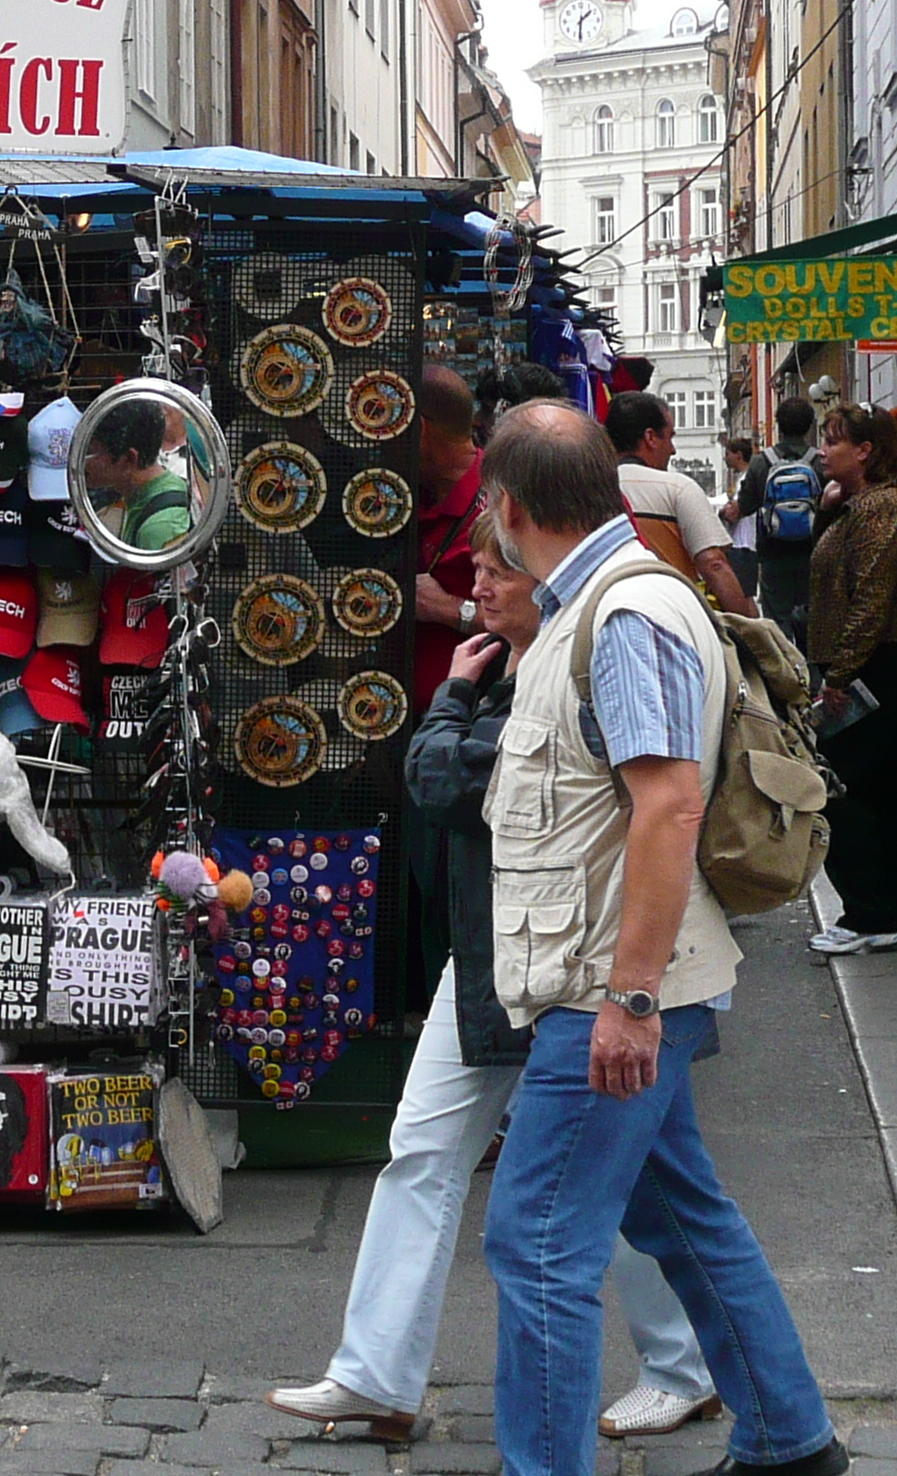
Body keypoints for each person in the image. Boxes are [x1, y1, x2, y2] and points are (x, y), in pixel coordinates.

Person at [270, 511, 719, 1446]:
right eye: (474, 570)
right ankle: (377, 1375)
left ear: (536, 576)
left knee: (623, 1186)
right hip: (492, 956)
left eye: (492, 572)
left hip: (566, 961)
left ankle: (685, 1369)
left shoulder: (549, 669)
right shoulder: (511, 670)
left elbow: (442, 781)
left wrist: (446, 700)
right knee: (429, 1150)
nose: (475, 587)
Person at [476, 402, 844, 1476]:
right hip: (613, 975)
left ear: (507, 507)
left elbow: (669, 804)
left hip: (612, 986)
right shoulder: (594, 600)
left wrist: (628, 999)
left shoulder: (622, 613)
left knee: (535, 1241)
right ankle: (789, 1441)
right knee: (678, 1209)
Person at [801, 406, 897, 955]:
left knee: (847, 788)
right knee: (881, 789)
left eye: (833, 442)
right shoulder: (860, 508)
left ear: (866, 451)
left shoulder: (882, 510)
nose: (823, 451)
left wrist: (842, 674)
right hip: (868, 663)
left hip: (871, 664)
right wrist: (828, 513)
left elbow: (870, 596)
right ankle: (887, 907)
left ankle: (868, 910)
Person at [606, 392, 755, 616]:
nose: (673, 449)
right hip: (672, 616)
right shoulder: (678, 488)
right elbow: (714, 563)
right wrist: (748, 630)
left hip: (604, 615)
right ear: (650, 438)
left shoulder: (588, 489)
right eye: (669, 437)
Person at [408, 365, 486, 690]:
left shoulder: (503, 502)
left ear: (419, 428)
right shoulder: (407, 495)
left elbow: (543, 618)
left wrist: (444, 608)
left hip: (470, 723)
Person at [741, 398, 824, 653]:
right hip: (814, 553)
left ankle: (789, 679)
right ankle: (814, 682)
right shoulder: (819, 461)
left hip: (773, 554)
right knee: (813, 621)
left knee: (778, 624)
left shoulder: (760, 462)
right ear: (811, 426)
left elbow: (746, 505)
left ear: (777, 425)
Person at [76, 397, 194, 555]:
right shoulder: (142, 496)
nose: (82, 461)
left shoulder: (157, 529)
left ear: (130, 458)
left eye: (91, 452)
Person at [719, 434, 764, 610]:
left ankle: (754, 634)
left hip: (742, 544)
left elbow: (733, 513)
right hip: (745, 544)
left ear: (738, 455)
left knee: (743, 596)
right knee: (744, 595)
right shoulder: (745, 478)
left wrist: (722, 512)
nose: (725, 458)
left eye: (727, 453)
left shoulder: (746, 480)